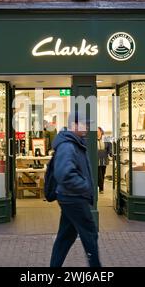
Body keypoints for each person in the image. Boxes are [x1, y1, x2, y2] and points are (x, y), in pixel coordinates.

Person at [49, 112, 101, 267]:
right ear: (74, 125)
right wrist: (84, 186)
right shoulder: (68, 145)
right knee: (90, 234)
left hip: (70, 197)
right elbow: (64, 173)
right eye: (84, 124)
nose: (87, 127)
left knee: (65, 237)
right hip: (74, 197)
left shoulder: (75, 142)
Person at [97, 127, 112, 194]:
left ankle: (100, 186)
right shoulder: (93, 139)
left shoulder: (106, 138)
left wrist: (111, 153)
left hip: (104, 158)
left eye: (98, 131)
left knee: (103, 173)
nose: (96, 132)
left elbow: (110, 147)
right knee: (99, 172)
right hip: (96, 158)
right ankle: (101, 188)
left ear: (101, 131)